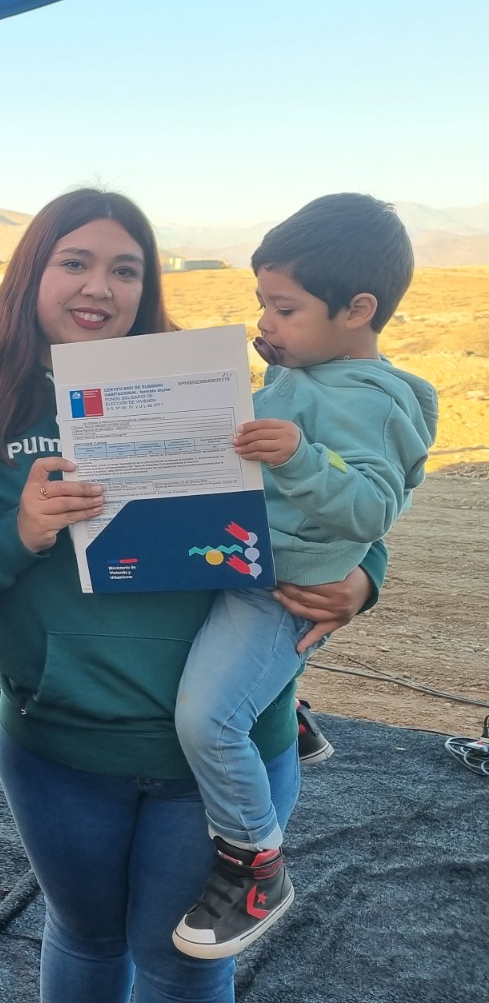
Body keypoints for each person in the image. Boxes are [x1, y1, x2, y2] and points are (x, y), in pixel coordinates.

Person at [0, 188, 383, 1003]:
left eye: (125, 269)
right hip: (62, 751)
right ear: (31, 273)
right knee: (87, 938)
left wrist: (364, 578)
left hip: (215, 751)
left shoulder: (203, 381)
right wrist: (20, 532)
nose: (99, 286)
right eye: (76, 262)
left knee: (182, 967)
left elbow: (334, 496)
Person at [171, 195, 436, 958]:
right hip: (249, 557)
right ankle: (285, 707)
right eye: (263, 306)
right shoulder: (310, 368)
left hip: (278, 591)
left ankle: (255, 862)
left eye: (283, 310)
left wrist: (297, 457)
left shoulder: (369, 403)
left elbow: (373, 509)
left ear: (357, 310)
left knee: (207, 718)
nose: (266, 325)